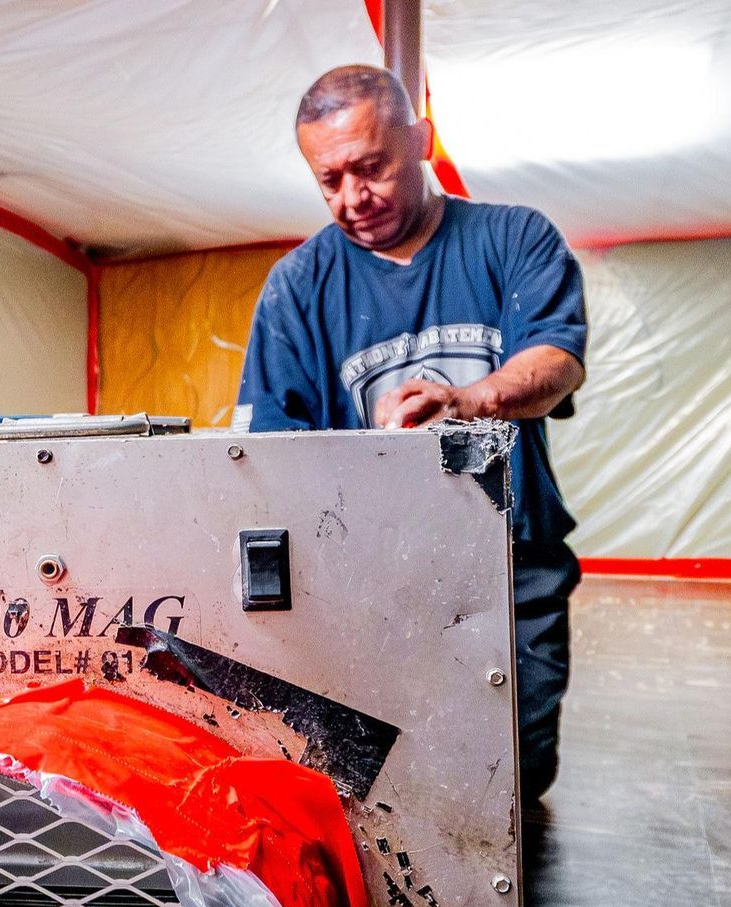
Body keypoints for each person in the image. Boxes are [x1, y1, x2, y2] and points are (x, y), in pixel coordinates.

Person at [237, 64, 587, 803]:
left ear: (420, 140)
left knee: (518, 778)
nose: (352, 199)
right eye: (329, 180)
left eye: (371, 168)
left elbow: (556, 362)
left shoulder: (513, 237)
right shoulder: (297, 286)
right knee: (394, 785)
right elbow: (269, 448)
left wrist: (468, 400)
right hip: (374, 575)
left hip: (511, 562)